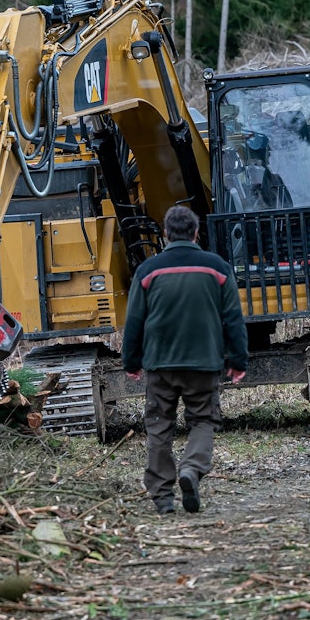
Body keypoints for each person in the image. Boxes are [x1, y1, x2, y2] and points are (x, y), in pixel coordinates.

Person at [122, 205, 248, 515]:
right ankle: (191, 469)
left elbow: (134, 320)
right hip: (203, 363)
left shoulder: (148, 271)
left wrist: (131, 361)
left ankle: (163, 498)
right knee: (204, 419)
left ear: (165, 233)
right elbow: (233, 318)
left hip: (160, 364)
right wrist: (238, 359)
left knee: (159, 425)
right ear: (195, 233)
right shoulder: (217, 269)